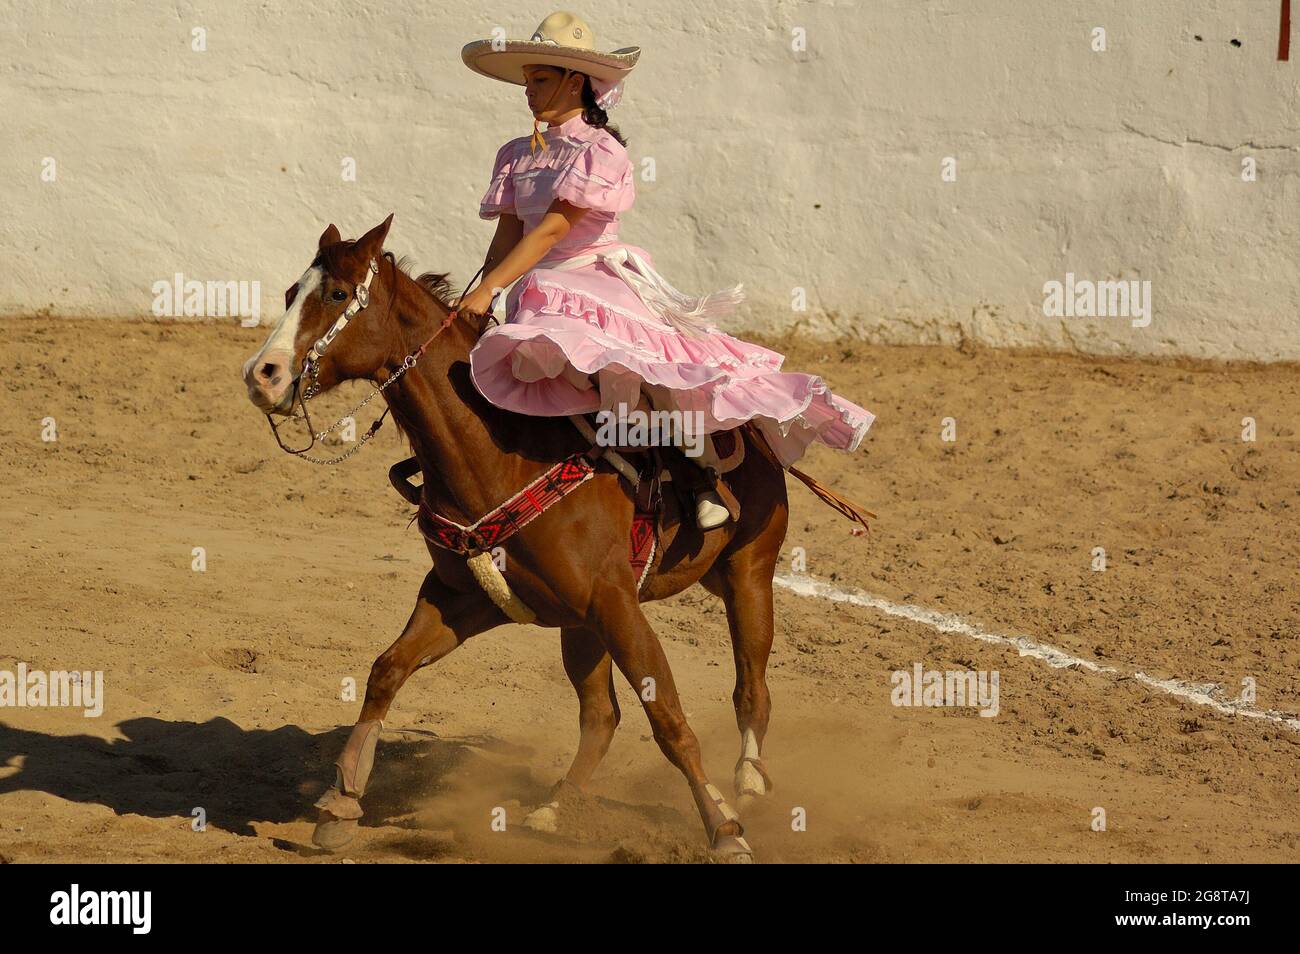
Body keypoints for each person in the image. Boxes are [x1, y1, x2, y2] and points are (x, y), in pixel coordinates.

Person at [457, 11, 874, 530]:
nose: (528, 92)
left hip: (592, 280)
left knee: (645, 370)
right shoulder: (517, 154)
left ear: (574, 81)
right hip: (539, 287)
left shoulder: (601, 151)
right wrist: (478, 292)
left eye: (539, 80)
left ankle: (701, 476)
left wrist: (494, 288)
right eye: (527, 81)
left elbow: (553, 231)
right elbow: (509, 237)